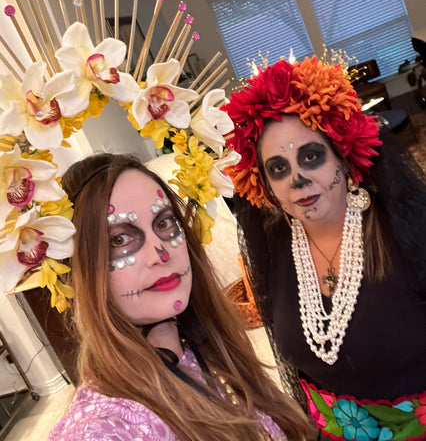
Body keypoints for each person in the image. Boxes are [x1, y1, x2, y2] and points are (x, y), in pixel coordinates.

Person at [222, 56, 426, 441]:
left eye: (311, 156)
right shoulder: (275, 247)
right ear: (264, 182)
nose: (297, 179)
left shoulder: (404, 230)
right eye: (278, 168)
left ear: (344, 157)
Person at [48, 153, 311, 441]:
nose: (160, 254)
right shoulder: (102, 428)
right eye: (119, 239)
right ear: (83, 271)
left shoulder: (203, 349)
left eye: (163, 223)